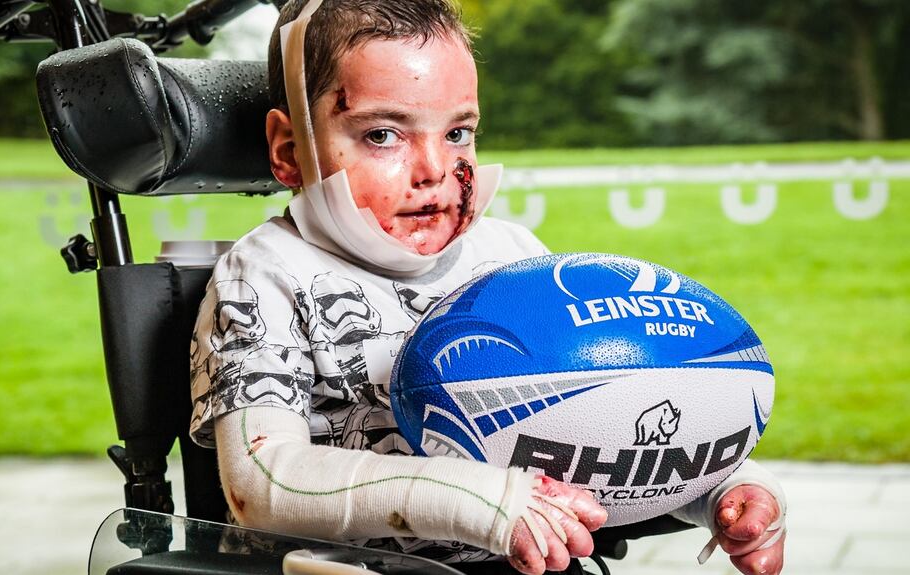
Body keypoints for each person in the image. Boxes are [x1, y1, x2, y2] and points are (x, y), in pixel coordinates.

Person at [188, 1, 786, 573]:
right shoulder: (267, 274)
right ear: (289, 150)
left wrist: (722, 490)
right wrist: (489, 503)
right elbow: (263, 483)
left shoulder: (511, 259)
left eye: (458, 133)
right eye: (382, 135)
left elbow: (594, 431)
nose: (433, 170)